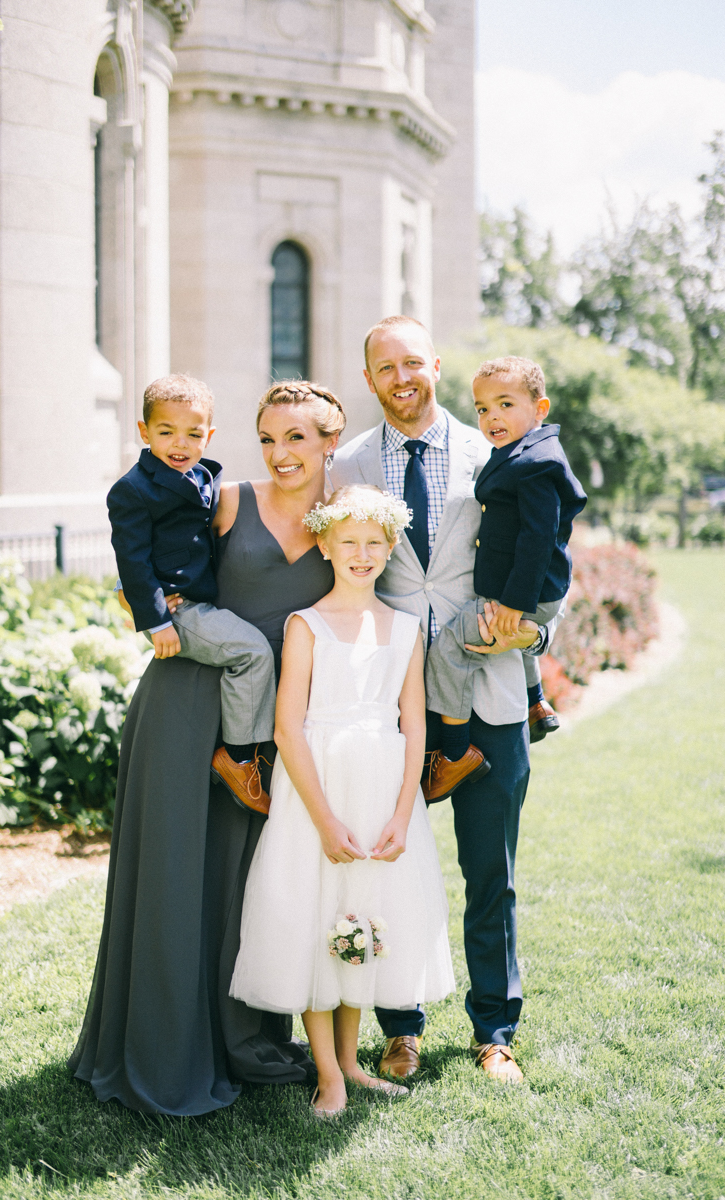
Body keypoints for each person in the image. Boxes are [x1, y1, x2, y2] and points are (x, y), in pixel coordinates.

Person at [69, 380, 343, 1115]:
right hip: (189, 704)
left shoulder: (342, 512)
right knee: (178, 876)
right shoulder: (223, 497)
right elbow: (148, 558)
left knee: (253, 880)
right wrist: (151, 604)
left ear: (328, 444)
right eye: (267, 438)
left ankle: (247, 1037)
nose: (280, 454)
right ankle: (166, 1046)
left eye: (296, 438)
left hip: (278, 722)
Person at [329, 316, 563, 1084]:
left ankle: (495, 1029)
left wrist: (529, 635)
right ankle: (402, 1027)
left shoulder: (496, 444)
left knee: (490, 870)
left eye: (412, 362)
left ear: (434, 363)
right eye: (383, 368)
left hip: (487, 691)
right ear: (369, 381)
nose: (400, 378)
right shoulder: (350, 464)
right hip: (387, 703)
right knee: (389, 868)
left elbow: (545, 543)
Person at [230, 485, 455, 1116]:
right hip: (317, 794)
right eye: (348, 542)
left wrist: (403, 815)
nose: (361, 554)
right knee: (314, 915)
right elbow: (287, 729)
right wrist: (323, 819)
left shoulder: (406, 629)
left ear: (389, 549)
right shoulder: (305, 627)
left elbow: (415, 726)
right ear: (325, 545)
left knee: (365, 916)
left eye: (373, 543)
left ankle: (354, 1063)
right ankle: (327, 1071)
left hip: (382, 790)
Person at [107, 373, 276, 814]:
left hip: (201, 598)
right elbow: (132, 559)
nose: (179, 443)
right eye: (166, 432)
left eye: (193, 433)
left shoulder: (203, 476)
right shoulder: (131, 491)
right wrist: (157, 619)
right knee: (253, 653)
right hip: (175, 610)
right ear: (144, 432)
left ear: (209, 435)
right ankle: (239, 759)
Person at [425, 355, 587, 782]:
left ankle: (455, 752)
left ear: (540, 408)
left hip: (527, 595)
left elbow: (538, 539)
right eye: (482, 408)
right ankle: (536, 701)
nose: (492, 416)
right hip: (521, 590)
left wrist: (515, 604)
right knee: (500, 638)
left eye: (505, 404)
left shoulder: (537, 464)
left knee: (447, 651)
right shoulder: (517, 450)